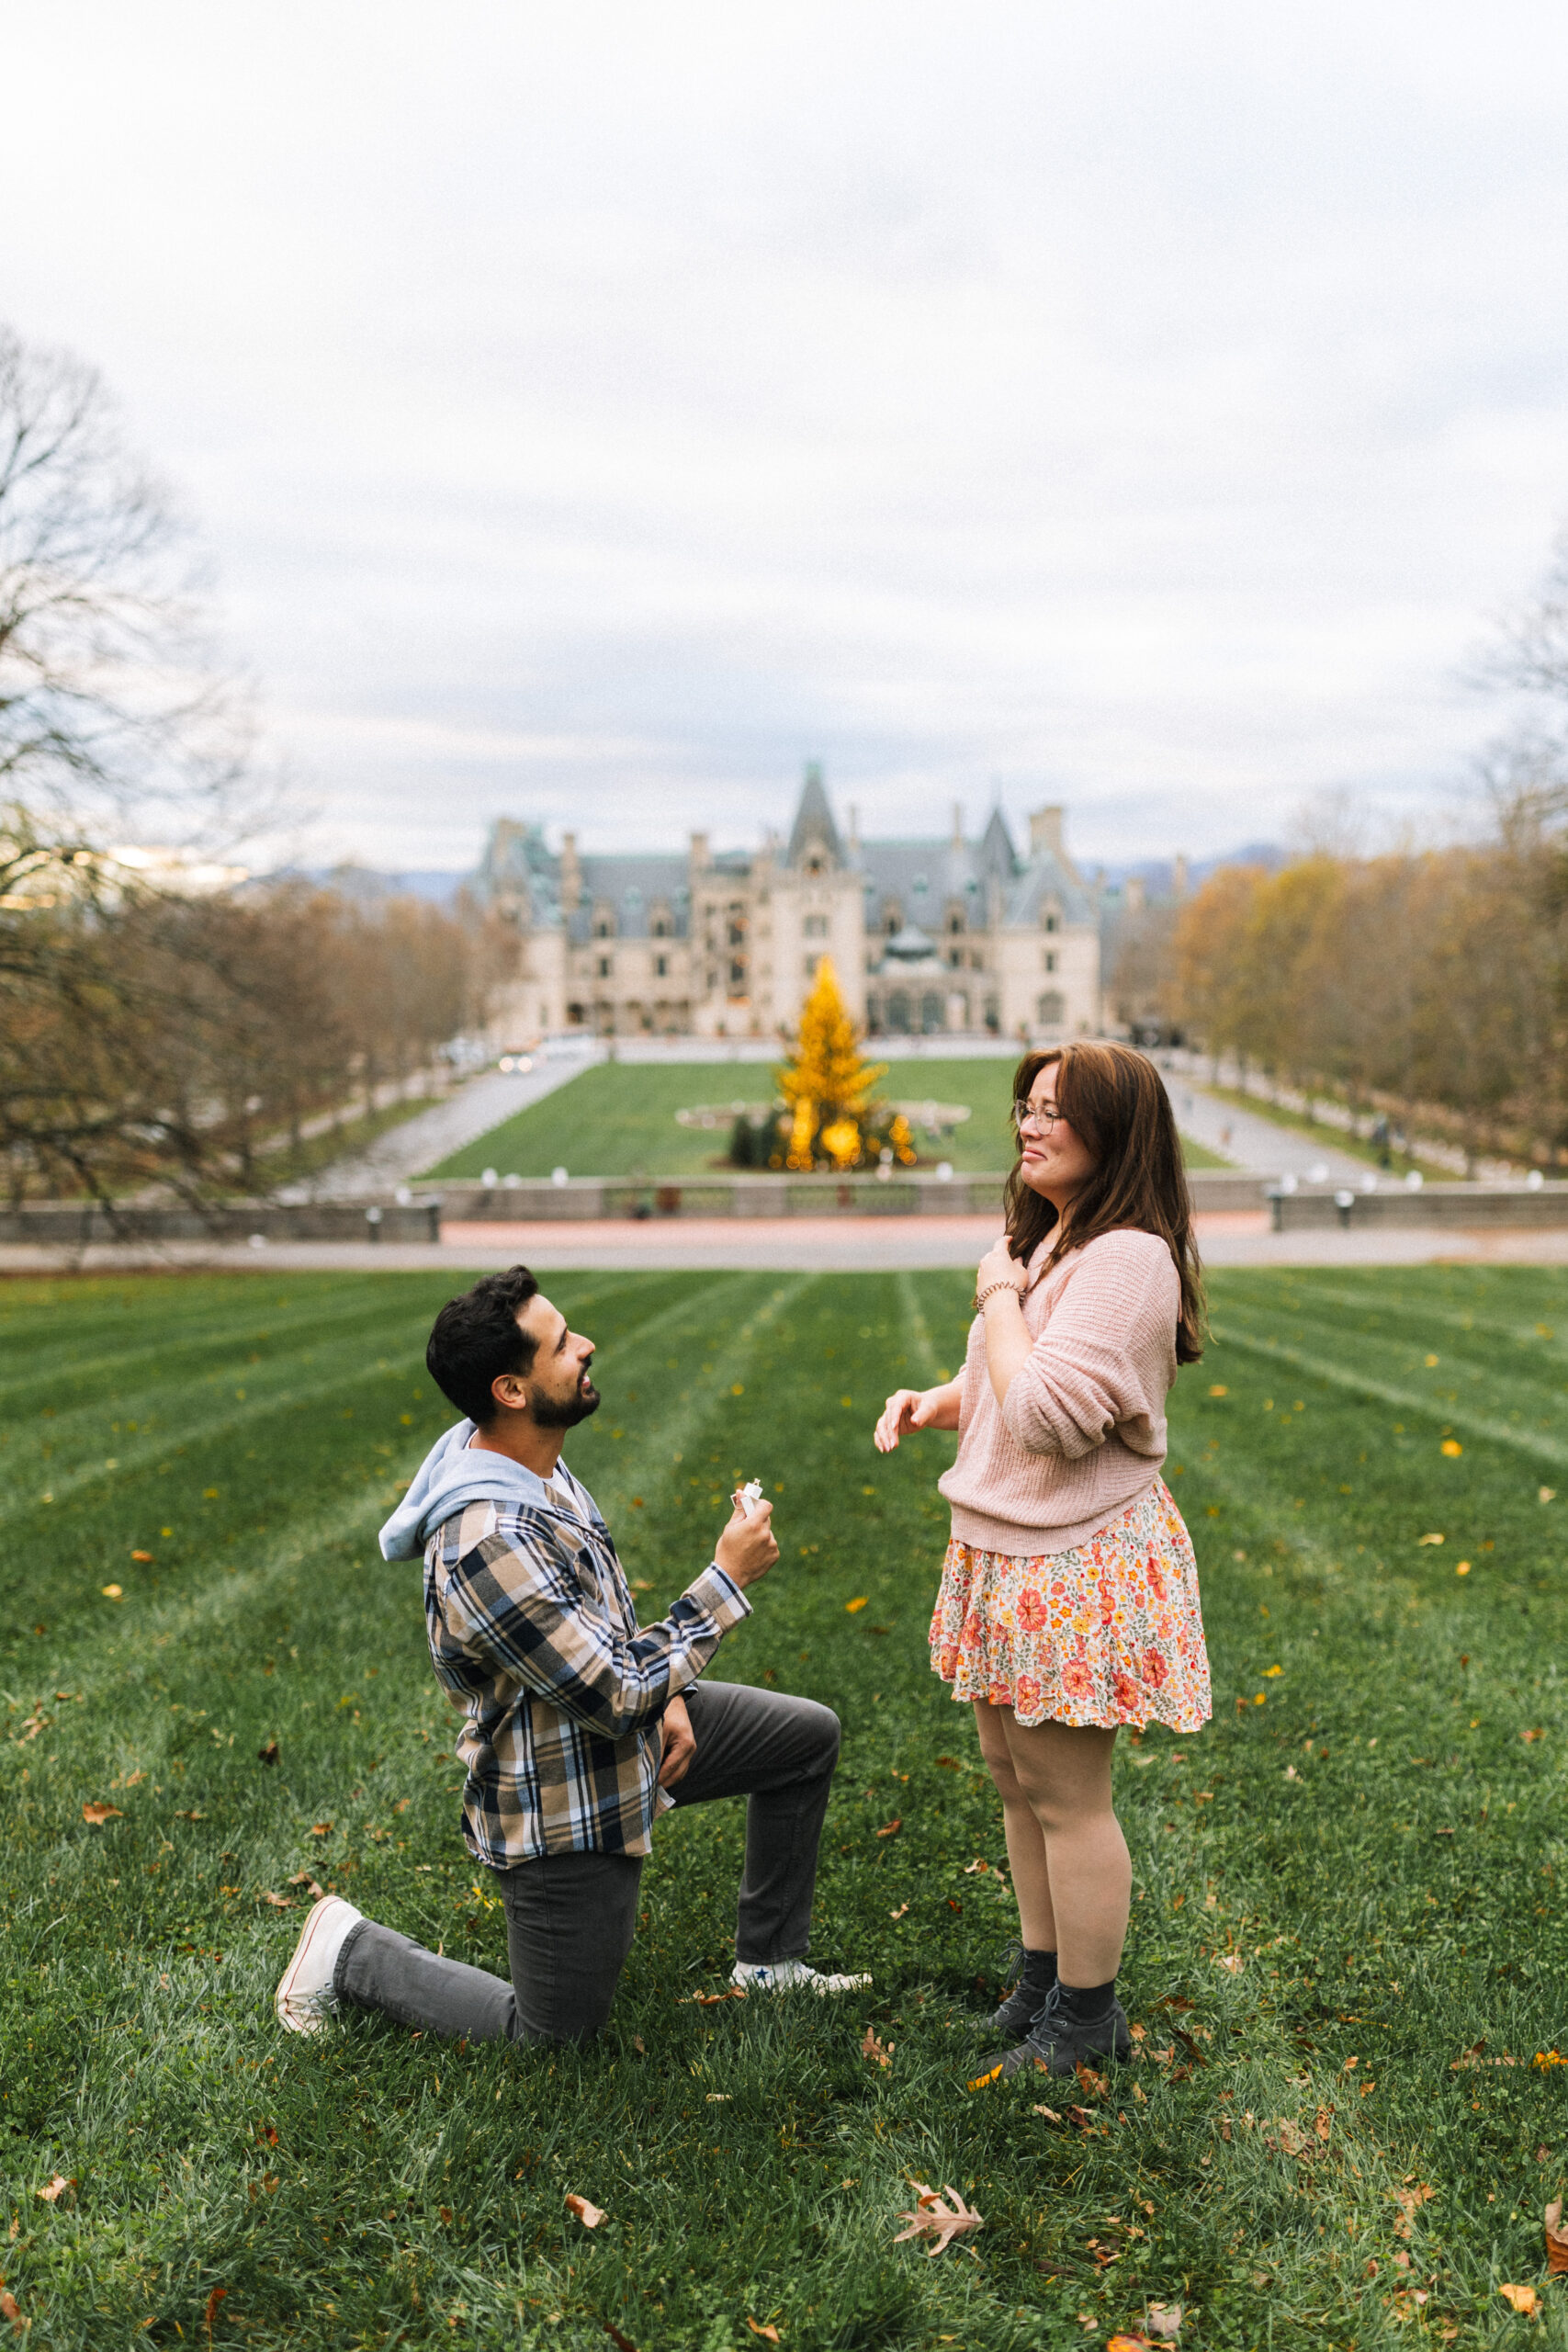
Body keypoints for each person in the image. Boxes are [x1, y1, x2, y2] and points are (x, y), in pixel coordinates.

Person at [275, 1265, 866, 2045]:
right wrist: (725, 1581)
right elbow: (615, 1693)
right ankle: (351, 1951)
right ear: (511, 1391)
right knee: (553, 2037)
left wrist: (675, 1700)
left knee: (803, 1739)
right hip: (562, 1795)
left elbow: (602, 1630)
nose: (585, 1346)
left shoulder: (534, 1465)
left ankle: (769, 1964)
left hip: (625, 1732)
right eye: (560, 1344)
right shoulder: (486, 1538)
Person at [874, 1043, 1210, 2079]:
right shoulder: (1063, 1238)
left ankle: (1086, 2018)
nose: (1029, 1123)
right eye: (1026, 1105)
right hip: (1005, 1544)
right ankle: (1040, 1982)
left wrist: (995, 1296)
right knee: (1018, 1783)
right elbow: (1022, 1382)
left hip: (1074, 1557)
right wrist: (943, 1401)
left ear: (1117, 1131)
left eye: (1056, 1111)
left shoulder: (1127, 1259)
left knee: (1069, 1798)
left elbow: (1054, 1415)